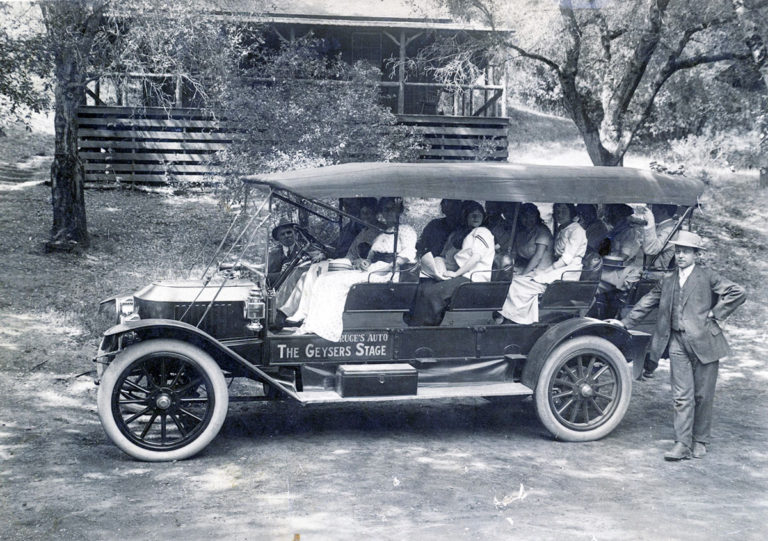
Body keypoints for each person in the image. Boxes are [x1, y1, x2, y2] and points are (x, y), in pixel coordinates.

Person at [611, 231, 746, 461]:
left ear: (696, 254)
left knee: (703, 395)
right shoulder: (668, 279)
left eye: (686, 251)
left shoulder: (708, 276)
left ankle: (700, 440)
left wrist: (716, 313)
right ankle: (682, 443)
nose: (681, 255)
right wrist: (624, 322)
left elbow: (738, 291)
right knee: (682, 395)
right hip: (677, 342)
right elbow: (647, 303)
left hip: (706, 342)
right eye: (678, 250)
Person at [288, 197, 417, 342]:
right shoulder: (383, 232)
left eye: (391, 209)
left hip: (387, 272)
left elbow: (409, 251)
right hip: (374, 268)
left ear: (399, 210)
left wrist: (393, 264)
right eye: (384, 210)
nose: (388, 214)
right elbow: (370, 256)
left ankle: (326, 328)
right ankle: (312, 322)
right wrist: (365, 262)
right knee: (325, 278)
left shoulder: (405, 229)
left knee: (335, 282)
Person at [408, 201, 495, 326]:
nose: (475, 217)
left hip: (473, 277)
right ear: (465, 216)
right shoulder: (463, 233)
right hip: (461, 274)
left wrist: (455, 274)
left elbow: (476, 257)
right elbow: (445, 256)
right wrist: (439, 270)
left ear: (483, 216)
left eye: (479, 214)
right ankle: (416, 324)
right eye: (472, 214)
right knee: (424, 287)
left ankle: (425, 327)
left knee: (433, 293)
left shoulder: (482, 232)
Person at [499, 203, 587, 324]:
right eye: (557, 210)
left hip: (568, 270)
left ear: (571, 211)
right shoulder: (563, 228)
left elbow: (566, 259)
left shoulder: (577, 230)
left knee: (519, 283)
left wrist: (547, 271)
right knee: (515, 281)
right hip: (558, 268)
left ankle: (519, 318)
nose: (559, 214)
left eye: (563, 210)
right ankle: (514, 316)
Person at [512, 203, 553, 276]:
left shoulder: (543, 231)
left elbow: (538, 256)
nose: (528, 219)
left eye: (531, 215)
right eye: (524, 216)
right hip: (526, 269)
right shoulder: (521, 233)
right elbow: (514, 253)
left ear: (537, 216)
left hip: (542, 272)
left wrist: (523, 275)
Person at [637, 203, 678, 272]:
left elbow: (651, 249)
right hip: (648, 269)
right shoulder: (662, 226)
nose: (653, 212)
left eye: (654, 209)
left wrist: (650, 221)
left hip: (656, 272)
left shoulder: (669, 229)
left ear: (663, 211)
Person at [267, 220, 299, 287]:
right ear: (278, 238)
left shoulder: (304, 250)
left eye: (289, 232)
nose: (286, 236)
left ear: (295, 234)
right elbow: (266, 277)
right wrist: (281, 274)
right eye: (282, 234)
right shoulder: (272, 254)